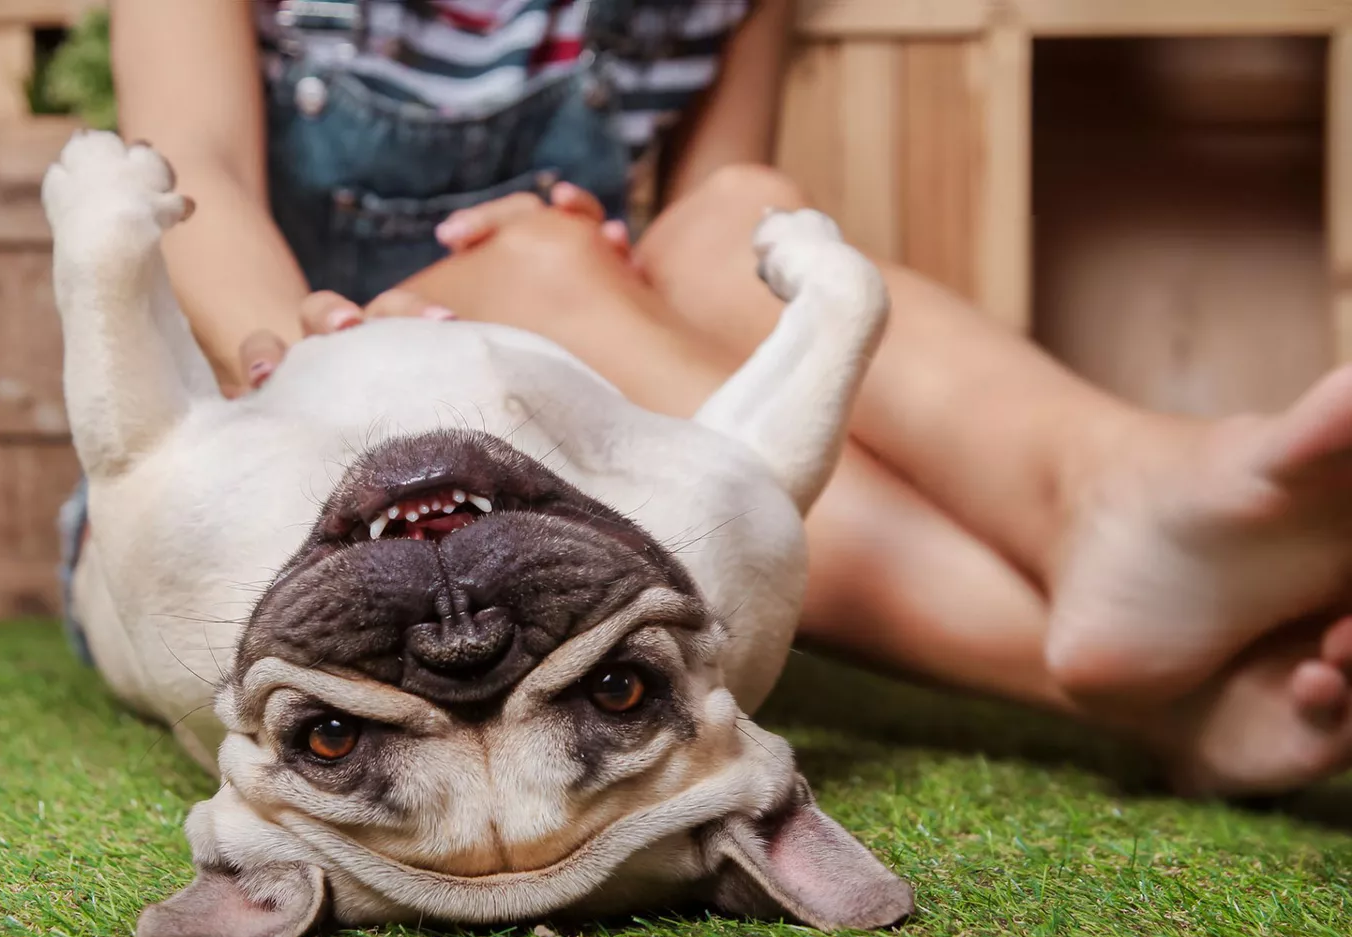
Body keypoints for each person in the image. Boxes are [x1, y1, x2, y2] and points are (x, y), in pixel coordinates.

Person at [107, 0, 1352, 796]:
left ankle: (1105, 485)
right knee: (542, 258)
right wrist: (311, 340)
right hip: (274, 472)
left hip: (558, 455)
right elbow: (190, 180)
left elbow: (701, 259)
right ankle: (1129, 645)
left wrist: (598, 251)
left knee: (732, 214)